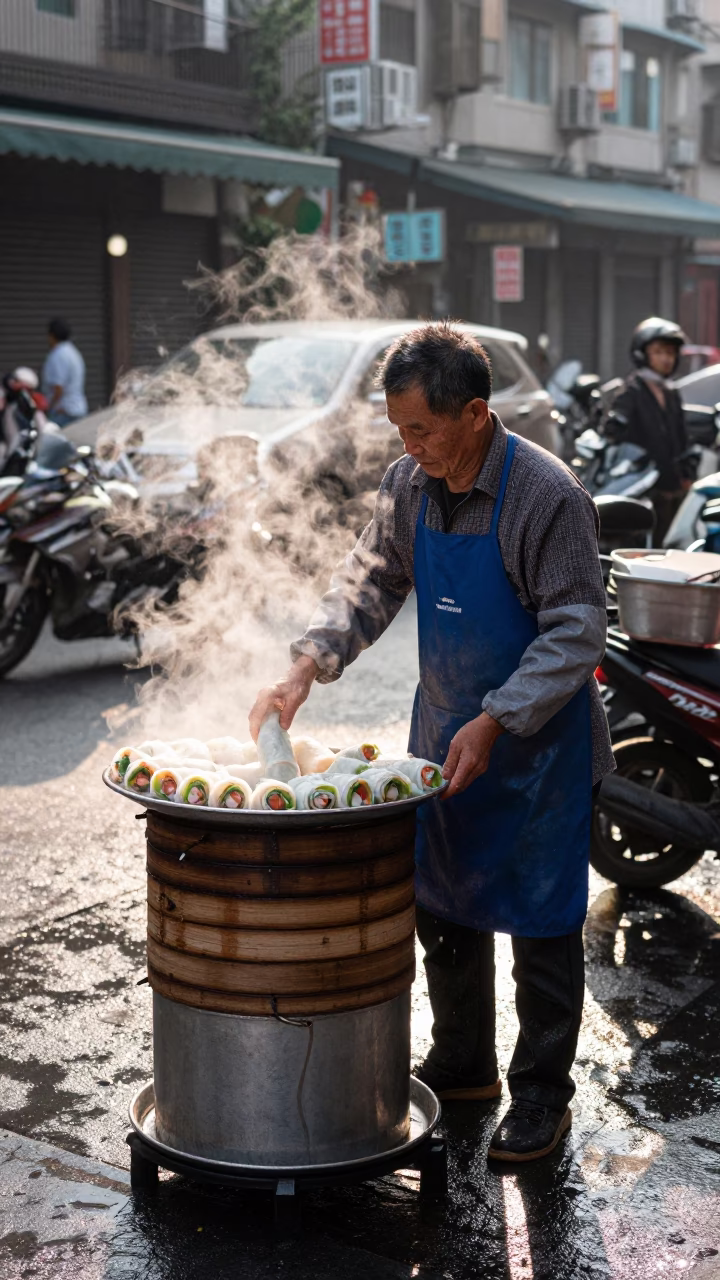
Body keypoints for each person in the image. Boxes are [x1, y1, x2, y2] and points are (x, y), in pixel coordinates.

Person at [250, 323, 613, 1164]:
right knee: (443, 901)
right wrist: (305, 666)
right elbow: (370, 578)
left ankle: (541, 1098)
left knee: (542, 924)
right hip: (445, 732)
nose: (407, 447)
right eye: (397, 429)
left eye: (421, 429)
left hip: (541, 752)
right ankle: (463, 1064)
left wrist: (498, 717)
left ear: (477, 414)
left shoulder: (547, 496)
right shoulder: (408, 483)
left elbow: (575, 633)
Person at [608, 317, 688, 543]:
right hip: (643, 488)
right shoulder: (631, 392)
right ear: (642, 353)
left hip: (670, 486)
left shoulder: (671, 393)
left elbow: (681, 436)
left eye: (671, 353)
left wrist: (685, 471)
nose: (666, 358)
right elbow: (613, 431)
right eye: (659, 352)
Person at [41, 318, 88, 427]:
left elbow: (58, 388)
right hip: (77, 409)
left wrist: (48, 408)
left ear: (52, 336)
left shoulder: (58, 355)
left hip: (64, 412)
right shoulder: (73, 351)